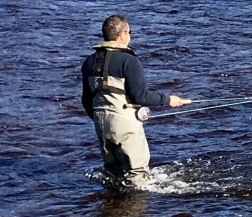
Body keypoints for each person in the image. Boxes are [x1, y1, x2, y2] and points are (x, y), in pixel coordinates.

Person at [81, 15, 190, 183]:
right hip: (124, 124)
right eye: (129, 32)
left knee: (112, 175)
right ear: (123, 34)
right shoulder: (129, 60)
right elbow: (141, 96)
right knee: (138, 176)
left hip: (100, 124)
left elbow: (86, 100)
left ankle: (113, 200)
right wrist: (168, 100)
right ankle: (137, 201)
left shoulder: (89, 62)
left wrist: (99, 119)